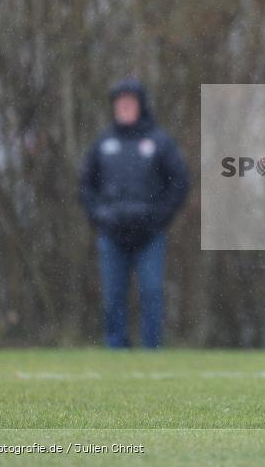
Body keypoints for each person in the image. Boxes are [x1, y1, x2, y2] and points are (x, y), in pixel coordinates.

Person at [79, 78, 189, 349]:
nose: (124, 108)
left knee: (151, 293)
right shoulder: (103, 143)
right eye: (120, 104)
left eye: (129, 103)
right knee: (113, 296)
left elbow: (180, 182)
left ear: (140, 105)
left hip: (150, 235)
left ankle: (152, 349)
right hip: (111, 234)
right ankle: (116, 349)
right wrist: (99, 216)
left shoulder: (158, 141)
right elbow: (84, 184)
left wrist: (159, 218)